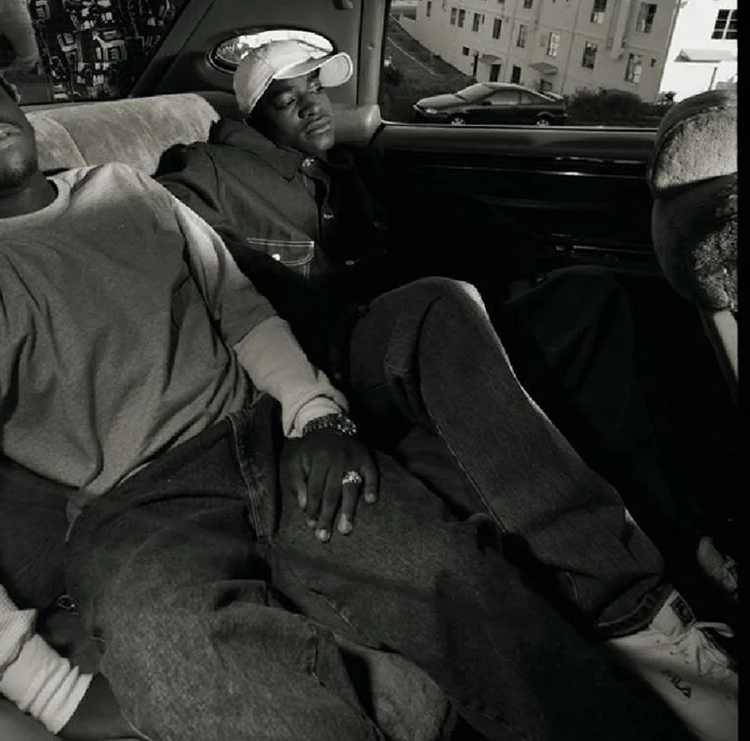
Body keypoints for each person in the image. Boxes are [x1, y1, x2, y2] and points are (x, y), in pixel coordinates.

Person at [0, 28, 734, 741]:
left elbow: (241, 312)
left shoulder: (124, 193)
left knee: (456, 577)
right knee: (172, 637)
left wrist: (317, 417)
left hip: (269, 437)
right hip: (137, 504)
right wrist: (42, 686)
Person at [154, 39, 737, 604]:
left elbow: (450, 220)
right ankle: (647, 564)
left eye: (317, 88)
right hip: (339, 361)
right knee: (444, 300)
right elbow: (166, 220)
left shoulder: (350, 168)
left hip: (421, 335)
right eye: (288, 100)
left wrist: (537, 263)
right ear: (256, 119)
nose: (313, 105)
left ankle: (677, 529)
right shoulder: (215, 172)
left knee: (589, 296)